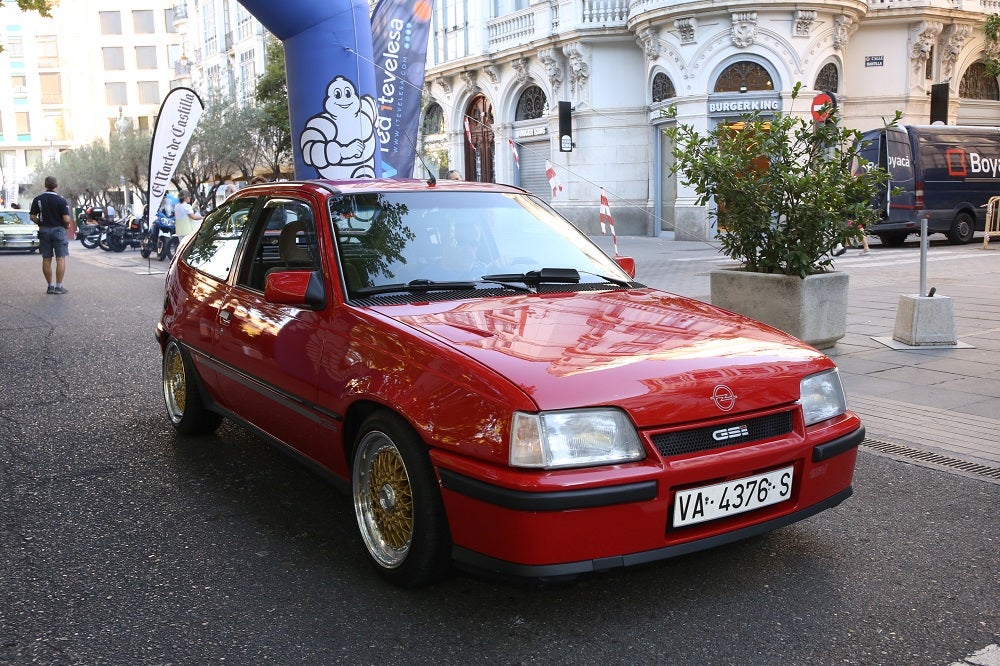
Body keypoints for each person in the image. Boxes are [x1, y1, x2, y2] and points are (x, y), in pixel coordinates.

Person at [28, 176, 73, 295]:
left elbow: (32, 216)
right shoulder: (61, 200)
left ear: (45, 185)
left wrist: (41, 223)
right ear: (56, 185)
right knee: (60, 258)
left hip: (44, 231)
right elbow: (67, 219)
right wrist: (66, 225)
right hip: (58, 230)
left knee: (46, 259)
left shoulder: (38, 199)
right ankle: (59, 287)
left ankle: (50, 286)